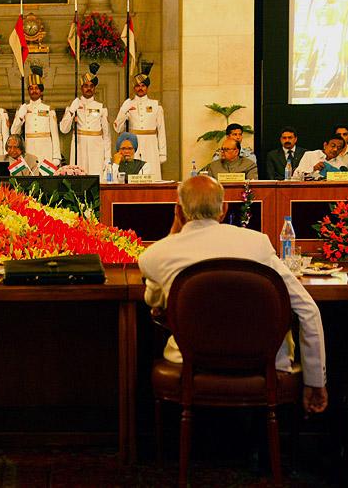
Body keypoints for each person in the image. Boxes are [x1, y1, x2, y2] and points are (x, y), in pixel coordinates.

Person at [138, 175, 327, 413]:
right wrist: (315, 382)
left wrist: (173, 235)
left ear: (178, 210)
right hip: (261, 361)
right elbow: (308, 310)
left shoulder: (156, 255)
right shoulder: (257, 243)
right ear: (224, 208)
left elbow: (152, 301)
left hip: (192, 360)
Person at [113, 62, 167, 181]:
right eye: (137, 86)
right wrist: (123, 110)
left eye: (143, 85)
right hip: (134, 143)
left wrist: (162, 152)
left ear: (147, 87)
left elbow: (161, 130)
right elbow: (118, 128)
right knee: (134, 175)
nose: (140, 88)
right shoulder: (129, 104)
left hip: (151, 143)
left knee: (152, 174)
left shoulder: (156, 105)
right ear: (134, 87)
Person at [59, 62, 111, 175]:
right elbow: (63, 129)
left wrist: (107, 157)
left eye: (91, 86)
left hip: (96, 148)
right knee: (79, 176)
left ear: (94, 88)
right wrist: (71, 111)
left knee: (96, 177)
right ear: (81, 88)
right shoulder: (73, 106)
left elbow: (106, 135)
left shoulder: (101, 107)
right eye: (86, 86)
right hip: (79, 146)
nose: (89, 89)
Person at [10, 65, 62, 167]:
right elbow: (14, 132)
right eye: (31, 88)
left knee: (45, 178)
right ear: (28, 91)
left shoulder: (49, 109)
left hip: (46, 148)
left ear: (41, 90)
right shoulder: (23, 108)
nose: (34, 91)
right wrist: (20, 117)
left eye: (37, 88)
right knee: (31, 177)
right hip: (29, 148)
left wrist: (56, 156)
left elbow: (55, 135)